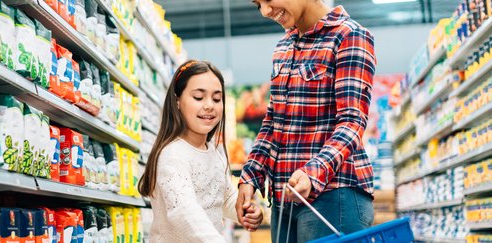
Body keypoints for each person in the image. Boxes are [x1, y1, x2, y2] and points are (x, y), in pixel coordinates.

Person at [236, 0, 377, 242]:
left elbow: (352, 122)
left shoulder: (348, 36)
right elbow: (273, 122)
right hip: (284, 199)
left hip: (334, 195)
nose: (265, 12)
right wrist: (250, 176)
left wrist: (313, 173)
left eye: (268, 0)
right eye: (257, 4)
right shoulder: (283, 47)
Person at [138, 60, 264, 242]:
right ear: (177, 101)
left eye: (216, 98)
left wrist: (244, 211)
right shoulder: (172, 154)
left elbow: (223, 197)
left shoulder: (214, 151)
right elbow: (184, 211)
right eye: (198, 97)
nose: (209, 105)